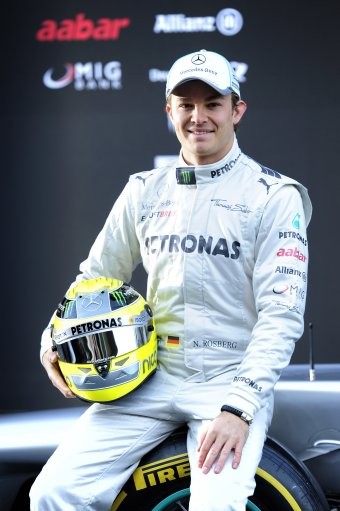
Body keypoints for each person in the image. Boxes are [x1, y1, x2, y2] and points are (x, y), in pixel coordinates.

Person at [30, 49, 312, 511]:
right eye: (185, 104)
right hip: (151, 378)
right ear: (169, 111)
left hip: (229, 379)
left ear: (237, 110)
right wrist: (51, 341)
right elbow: (96, 277)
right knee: (53, 493)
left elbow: (281, 316)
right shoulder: (145, 189)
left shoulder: (275, 196)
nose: (198, 117)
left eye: (212, 104)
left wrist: (239, 408)